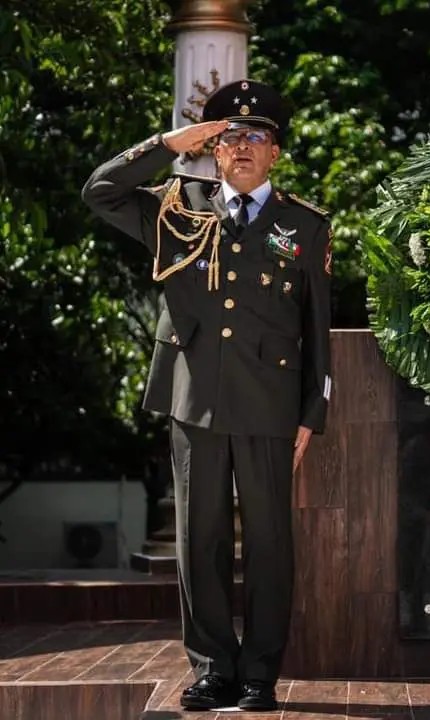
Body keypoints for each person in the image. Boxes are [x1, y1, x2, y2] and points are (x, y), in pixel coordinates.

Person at [82, 79, 333, 711]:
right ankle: (213, 668)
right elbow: (100, 191)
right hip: (193, 399)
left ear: (276, 153)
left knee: (271, 543)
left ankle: (259, 673)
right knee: (201, 540)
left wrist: (313, 412)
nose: (243, 147)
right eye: (230, 136)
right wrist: (170, 143)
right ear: (213, 148)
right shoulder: (175, 206)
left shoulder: (303, 226)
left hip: (272, 406)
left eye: (257, 137)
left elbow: (316, 331)